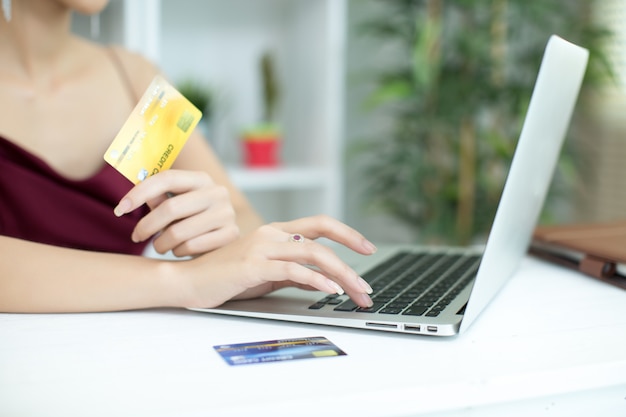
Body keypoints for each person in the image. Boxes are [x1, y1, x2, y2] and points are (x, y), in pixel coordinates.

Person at [0, 0, 375, 313]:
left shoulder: (132, 77)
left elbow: (241, 214)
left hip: (132, 346)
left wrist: (237, 249)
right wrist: (187, 281)